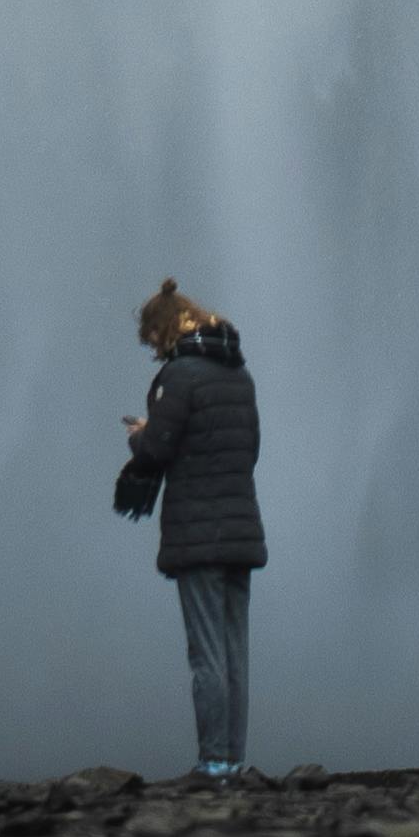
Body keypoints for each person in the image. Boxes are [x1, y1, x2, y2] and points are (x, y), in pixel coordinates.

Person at [114, 276, 265, 779]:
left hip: (198, 533)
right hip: (240, 528)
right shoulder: (238, 376)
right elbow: (249, 450)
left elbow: (160, 448)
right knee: (235, 653)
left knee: (206, 655)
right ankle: (234, 761)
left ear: (163, 331)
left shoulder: (179, 377)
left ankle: (213, 761)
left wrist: (141, 435)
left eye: (151, 339)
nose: (152, 350)